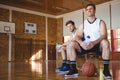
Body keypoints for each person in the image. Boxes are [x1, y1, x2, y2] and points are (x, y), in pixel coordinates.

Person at [65, 3, 112, 79]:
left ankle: (106, 70)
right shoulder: (83, 24)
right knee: (71, 44)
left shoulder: (100, 22)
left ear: (94, 10)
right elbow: (77, 36)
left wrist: (94, 43)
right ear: (86, 12)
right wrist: (81, 43)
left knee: (105, 42)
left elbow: (104, 35)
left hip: (97, 45)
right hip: (86, 45)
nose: (89, 10)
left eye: (91, 9)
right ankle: (73, 69)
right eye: (87, 10)